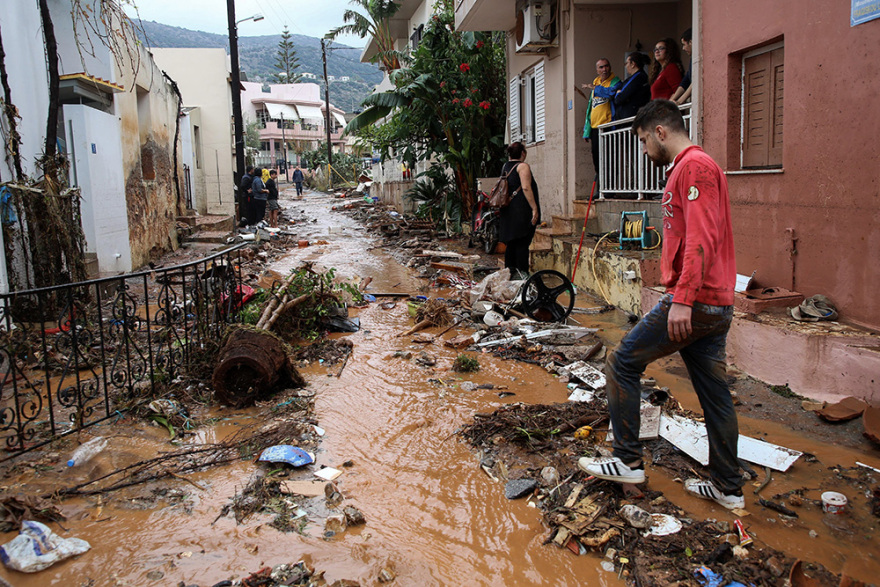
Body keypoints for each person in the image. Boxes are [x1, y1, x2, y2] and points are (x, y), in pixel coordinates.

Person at [579, 100, 743, 510]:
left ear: (660, 132)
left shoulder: (696, 168)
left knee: (621, 363)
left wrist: (683, 301)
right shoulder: (690, 168)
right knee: (714, 396)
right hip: (709, 303)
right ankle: (728, 488)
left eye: (642, 141)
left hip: (697, 301)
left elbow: (702, 240)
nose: (644, 151)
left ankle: (627, 460)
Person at [498, 142, 540, 279]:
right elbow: (526, 188)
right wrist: (534, 208)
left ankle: (510, 274)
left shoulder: (505, 166)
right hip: (520, 210)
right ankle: (523, 276)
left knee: (511, 243)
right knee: (522, 242)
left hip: (507, 210)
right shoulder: (523, 167)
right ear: (523, 153)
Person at [582, 58, 622, 191]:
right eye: (601, 67)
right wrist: (586, 130)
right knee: (597, 158)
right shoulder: (596, 82)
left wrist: (594, 88)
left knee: (609, 159)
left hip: (608, 126)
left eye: (606, 66)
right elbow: (590, 108)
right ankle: (601, 189)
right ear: (597, 70)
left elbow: (611, 93)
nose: (604, 69)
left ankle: (608, 189)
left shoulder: (615, 81)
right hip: (595, 127)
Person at [613, 52, 651, 120]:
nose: (626, 66)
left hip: (632, 118)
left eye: (627, 63)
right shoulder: (635, 77)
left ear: (633, 64)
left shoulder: (638, 77)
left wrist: (618, 93)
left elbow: (619, 98)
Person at [671, 28, 693, 105]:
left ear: (691, 42)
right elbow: (686, 81)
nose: (683, 48)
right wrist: (672, 100)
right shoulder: (692, 58)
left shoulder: (698, 58)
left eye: (684, 44)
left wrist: (679, 101)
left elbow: (695, 82)